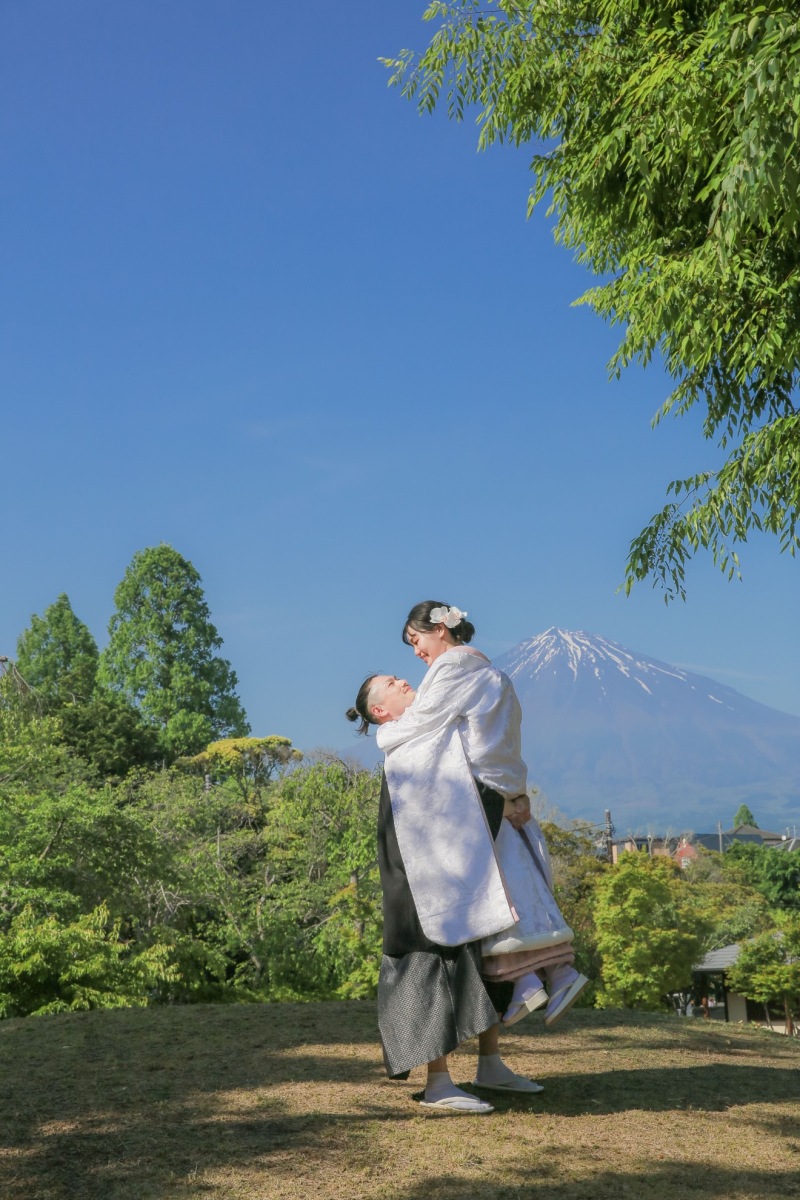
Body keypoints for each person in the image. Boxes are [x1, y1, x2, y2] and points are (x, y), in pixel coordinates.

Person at [348, 674, 541, 1115]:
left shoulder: (431, 728)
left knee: (483, 950)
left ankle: (490, 1065)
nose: (402, 679)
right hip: (417, 873)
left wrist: (511, 795)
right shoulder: (402, 746)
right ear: (380, 711)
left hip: (457, 864)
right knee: (431, 962)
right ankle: (438, 1082)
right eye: (390, 684)